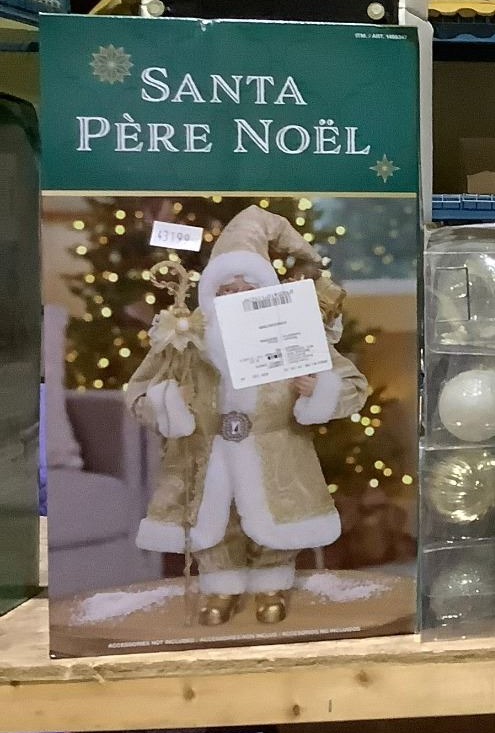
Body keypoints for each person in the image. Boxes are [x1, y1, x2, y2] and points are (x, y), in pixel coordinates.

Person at [126, 207, 367, 627]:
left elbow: (353, 385)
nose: (237, 295)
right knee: (216, 522)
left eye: (247, 287)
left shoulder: (291, 331)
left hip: (276, 451)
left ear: (264, 290)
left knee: (274, 515)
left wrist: (320, 389)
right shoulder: (185, 339)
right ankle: (220, 587)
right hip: (206, 454)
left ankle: (272, 583)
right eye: (227, 288)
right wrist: (168, 401)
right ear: (211, 294)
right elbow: (139, 391)